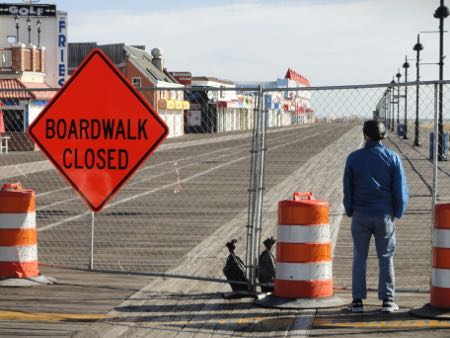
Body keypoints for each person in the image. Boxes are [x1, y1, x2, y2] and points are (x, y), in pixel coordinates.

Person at [343, 120, 409, 313]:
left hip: (361, 214)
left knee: (359, 257)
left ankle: (357, 301)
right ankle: (387, 300)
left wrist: (349, 209)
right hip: (384, 215)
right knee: (386, 256)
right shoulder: (393, 157)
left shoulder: (353, 158)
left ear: (365, 135)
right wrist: (397, 211)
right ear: (383, 136)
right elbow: (400, 190)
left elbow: (347, 188)